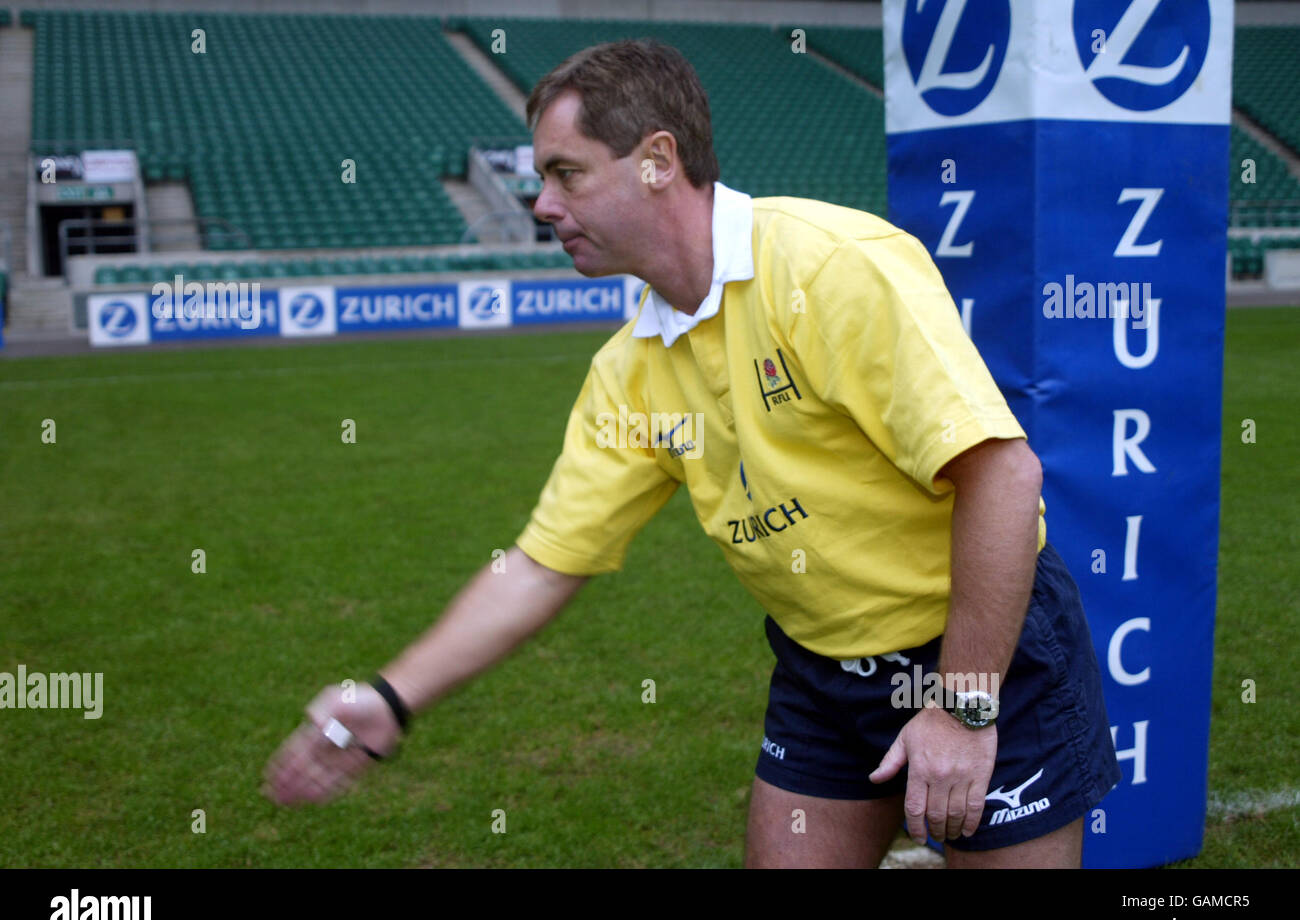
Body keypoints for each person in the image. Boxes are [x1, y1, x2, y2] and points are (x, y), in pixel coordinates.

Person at [263, 38, 1120, 868]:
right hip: (823, 671)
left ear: (656, 160)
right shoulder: (629, 369)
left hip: (984, 650)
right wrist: (388, 697)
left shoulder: (829, 267)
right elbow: (543, 563)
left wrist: (965, 707)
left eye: (566, 173)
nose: (543, 206)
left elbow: (1003, 474)